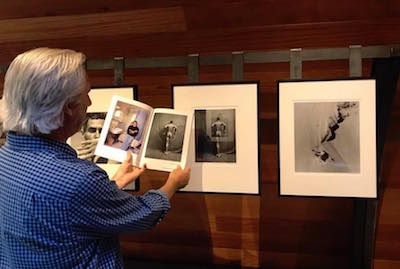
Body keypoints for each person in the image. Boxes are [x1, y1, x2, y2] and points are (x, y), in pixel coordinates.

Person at [0, 47, 190, 269]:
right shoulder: (78, 180)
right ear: (69, 108)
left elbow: (61, 213)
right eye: (85, 94)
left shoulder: (5, 158)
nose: (89, 102)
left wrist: (114, 185)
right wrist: (172, 184)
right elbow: (144, 215)